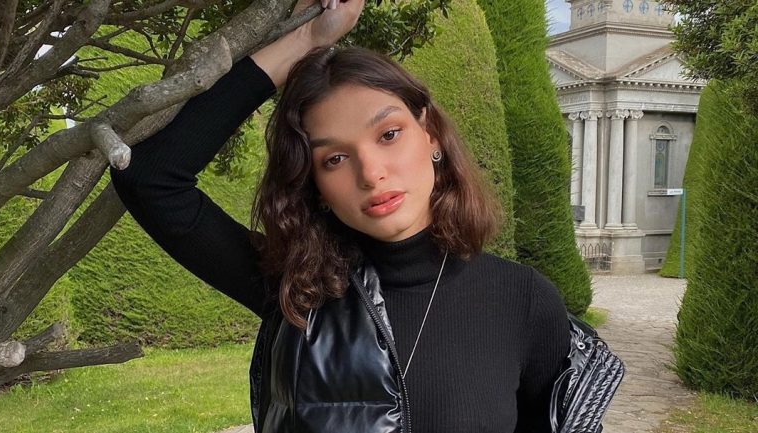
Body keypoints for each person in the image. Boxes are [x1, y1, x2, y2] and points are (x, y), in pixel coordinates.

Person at [109, 1, 571, 432]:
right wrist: (307, 39)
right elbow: (149, 178)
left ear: (430, 133)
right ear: (317, 187)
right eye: (334, 159)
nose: (371, 173)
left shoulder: (524, 300)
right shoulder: (296, 290)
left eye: (388, 135)